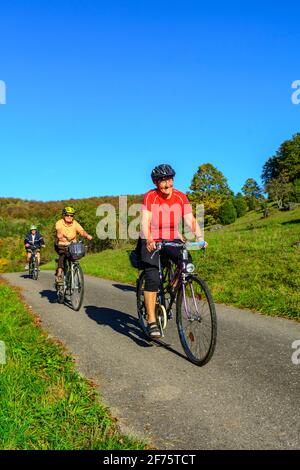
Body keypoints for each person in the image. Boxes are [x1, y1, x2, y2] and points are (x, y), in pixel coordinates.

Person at [140, 164, 207, 338]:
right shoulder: (150, 196)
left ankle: (173, 287)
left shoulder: (180, 197)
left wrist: (200, 238)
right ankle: (151, 319)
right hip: (151, 239)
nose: (167, 184)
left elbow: (189, 220)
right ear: (156, 183)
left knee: (186, 262)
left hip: (171, 238)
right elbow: (145, 220)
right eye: (163, 181)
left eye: (169, 179)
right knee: (153, 277)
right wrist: (148, 238)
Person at [55, 206, 93, 284]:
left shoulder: (75, 223)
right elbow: (59, 231)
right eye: (67, 215)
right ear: (63, 215)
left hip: (72, 245)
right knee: (62, 255)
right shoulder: (59, 222)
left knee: (75, 257)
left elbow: (82, 231)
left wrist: (87, 235)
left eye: (71, 215)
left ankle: (73, 272)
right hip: (61, 244)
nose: (69, 217)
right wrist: (60, 235)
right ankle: (59, 274)